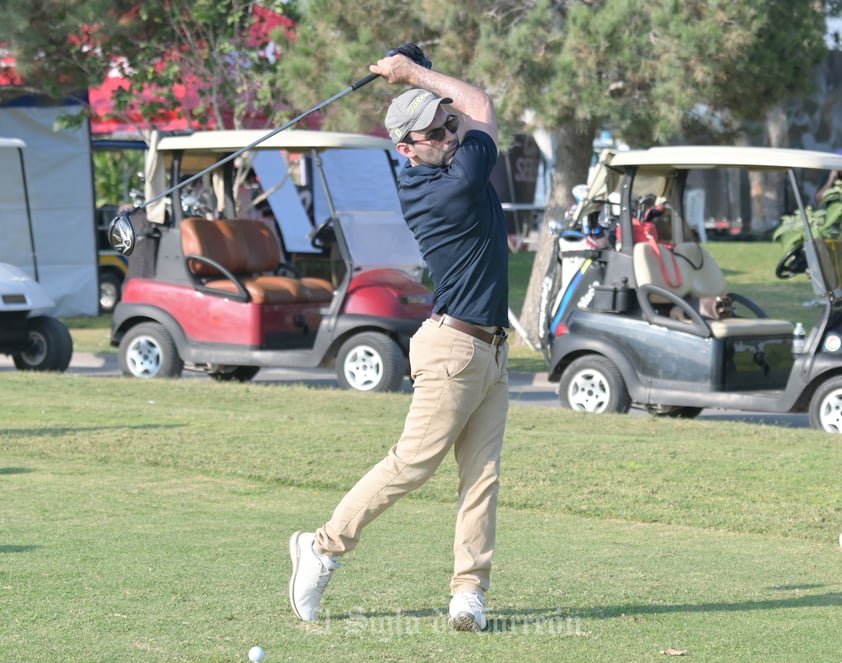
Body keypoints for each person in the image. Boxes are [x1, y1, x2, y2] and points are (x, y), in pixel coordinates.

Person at [288, 49, 510, 633]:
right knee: (413, 463)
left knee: (482, 477)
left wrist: (419, 75)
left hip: (490, 349)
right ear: (405, 148)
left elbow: (470, 111)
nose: (450, 133)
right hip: (453, 349)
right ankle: (322, 547)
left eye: (450, 125)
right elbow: (481, 102)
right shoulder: (438, 188)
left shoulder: (457, 161)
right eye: (435, 132)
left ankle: (468, 592)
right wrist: (412, 75)